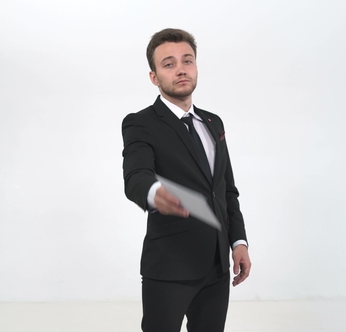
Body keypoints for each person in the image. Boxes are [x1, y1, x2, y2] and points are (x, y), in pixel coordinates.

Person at [121, 28, 251, 332]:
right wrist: (154, 193)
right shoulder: (141, 123)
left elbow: (226, 190)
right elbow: (136, 175)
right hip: (169, 267)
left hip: (218, 267)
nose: (180, 69)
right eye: (168, 64)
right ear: (154, 76)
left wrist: (238, 241)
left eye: (187, 61)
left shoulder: (213, 122)